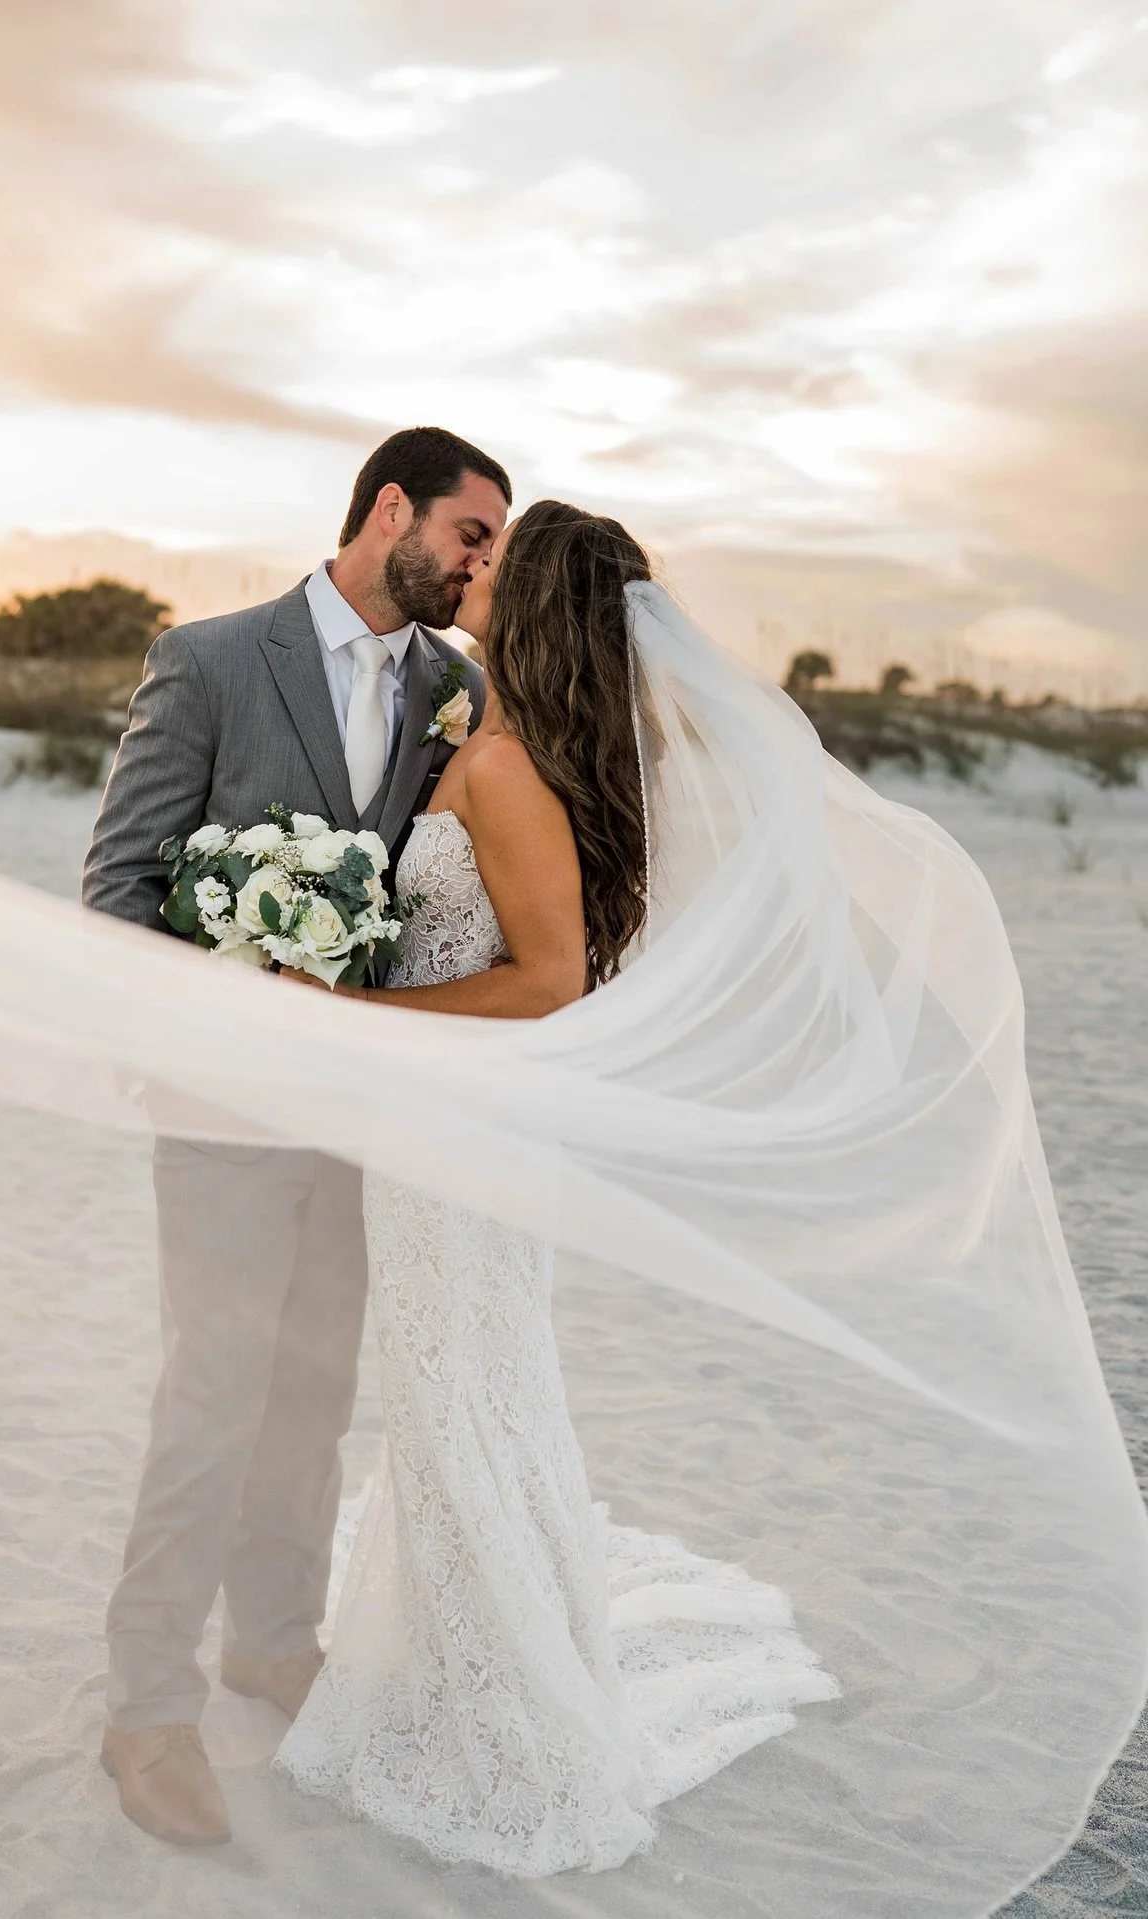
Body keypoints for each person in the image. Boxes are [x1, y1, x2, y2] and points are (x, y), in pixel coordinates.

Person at [273, 502, 837, 1873]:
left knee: (460, 1392)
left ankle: (505, 1711)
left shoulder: (514, 767)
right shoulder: (504, 741)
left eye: (493, 563)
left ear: (531, 605)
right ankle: (472, 1666)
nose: (470, 571)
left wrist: (351, 1020)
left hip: (460, 1140)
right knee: (467, 1389)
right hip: (454, 1134)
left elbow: (544, 982)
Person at [82, 426, 509, 1845]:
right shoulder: (208, 659)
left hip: (359, 1118)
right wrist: (232, 1001)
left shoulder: (454, 689)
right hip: (219, 1107)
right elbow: (119, 888)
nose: (479, 564)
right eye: (470, 532)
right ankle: (147, 1706)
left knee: (317, 1390)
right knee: (212, 1391)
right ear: (390, 508)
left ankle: (272, 1639)